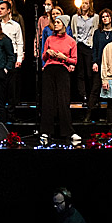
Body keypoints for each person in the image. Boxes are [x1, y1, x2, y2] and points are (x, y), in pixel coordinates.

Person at [39, 16, 76, 145]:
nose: (55, 24)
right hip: (49, 69)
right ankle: (46, 131)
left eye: (58, 22)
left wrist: (64, 57)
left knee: (63, 100)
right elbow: (43, 56)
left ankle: (67, 131)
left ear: (64, 25)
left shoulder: (71, 41)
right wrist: (48, 53)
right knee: (48, 100)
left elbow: (74, 60)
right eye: (55, 22)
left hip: (62, 70)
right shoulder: (49, 39)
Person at [87, 9, 112, 123]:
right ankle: (89, 115)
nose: (105, 18)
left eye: (107, 16)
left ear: (111, 18)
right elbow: (94, 48)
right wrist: (94, 62)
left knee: (111, 92)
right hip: (99, 65)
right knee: (95, 90)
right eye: (103, 17)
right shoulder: (97, 33)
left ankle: (110, 119)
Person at [0, 0, 24, 121]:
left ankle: (11, 114)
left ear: (8, 10)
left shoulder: (15, 25)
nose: (0, 11)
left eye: (2, 9)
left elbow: (19, 43)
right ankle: (0, 114)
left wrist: (19, 58)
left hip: (11, 57)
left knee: (11, 88)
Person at [70, 0, 97, 104]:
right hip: (79, 46)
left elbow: (95, 31)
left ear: (90, 5)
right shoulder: (75, 17)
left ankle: (92, 95)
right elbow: (73, 32)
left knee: (89, 73)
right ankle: (83, 95)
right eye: (83, 3)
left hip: (89, 46)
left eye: (86, 3)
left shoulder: (95, 17)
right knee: (80, 73)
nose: (84, 5)